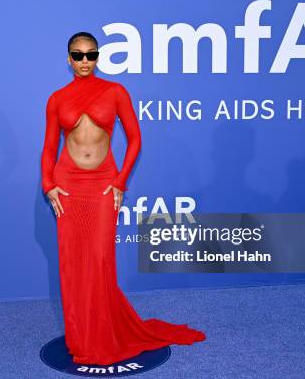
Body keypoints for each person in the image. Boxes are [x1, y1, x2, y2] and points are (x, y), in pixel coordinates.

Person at [41, 31, 206, 366]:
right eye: (78, 54)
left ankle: (103, 332)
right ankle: (81, 337)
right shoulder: (57, 98)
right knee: (72, 265)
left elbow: (135, 139)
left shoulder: (115, 91)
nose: (84, 61)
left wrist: (119, 182)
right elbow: (48, 149)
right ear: (68, 59)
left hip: (103, 183)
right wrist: (48, 185)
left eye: (90, 54)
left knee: (100, 260)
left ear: (98, 57)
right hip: (69, 185)